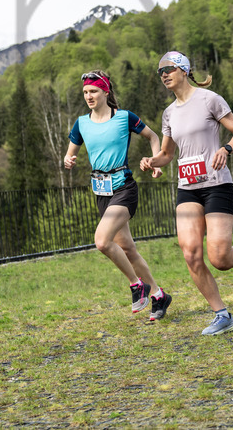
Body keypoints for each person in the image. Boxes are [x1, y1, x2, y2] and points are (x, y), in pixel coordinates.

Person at [140, 51, 233, 336]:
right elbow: (166, 153)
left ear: (184, 70)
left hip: (216, 184)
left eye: (168, 69)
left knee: (220, 258)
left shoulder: (209, 99)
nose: (163, 75)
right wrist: (153, 161)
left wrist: (225, 149)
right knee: (191, 254)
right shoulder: (169, 113)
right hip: (187, 189)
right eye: (159, 72)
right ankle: (222, 314)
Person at [64, 70, 173, 321]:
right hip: (101, 192)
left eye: (93, 91)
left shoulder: (124, 118)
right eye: (85, 93)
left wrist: (156, 162)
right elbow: (70, 154)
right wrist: (69, 160)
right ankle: (158, 295)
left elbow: (153, 136)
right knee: (128, 249)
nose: (88, 96)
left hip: (123, 187)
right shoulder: (81, 123)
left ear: (105, 92)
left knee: (102, 241)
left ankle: (137, 286)